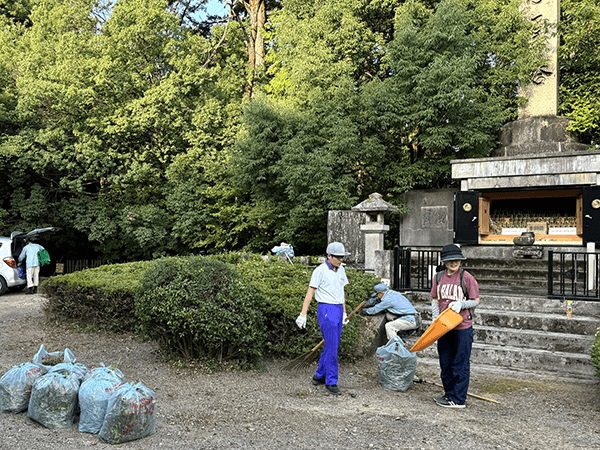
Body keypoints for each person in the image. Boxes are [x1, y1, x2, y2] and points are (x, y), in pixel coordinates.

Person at [296, 242, 350, 395]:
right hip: (326, 309)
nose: (341, 260)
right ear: (329, 256)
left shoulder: (341, 270)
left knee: (332, 345)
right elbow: (310, 293)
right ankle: (331, 381)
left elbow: (342, 293)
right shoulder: (319, 271)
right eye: (338, 257)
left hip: (338, 308)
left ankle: (319, 375)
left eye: (342, 257)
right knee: (332, 347)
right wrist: (303, 314)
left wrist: (344, 312)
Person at [430, 244, 480, 409]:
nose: (454, 263)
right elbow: (435, 299)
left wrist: (462, 304)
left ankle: (458, 399)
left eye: (456, 260)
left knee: (460, 363)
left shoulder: (467, 278)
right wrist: (435, 317)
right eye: (450, 260)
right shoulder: (438, 277)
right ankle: (449, 394)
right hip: (444, 327)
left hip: (462, 326)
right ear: (444, 261)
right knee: (446, 363)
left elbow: (476, 301)